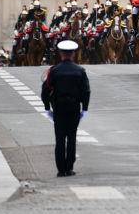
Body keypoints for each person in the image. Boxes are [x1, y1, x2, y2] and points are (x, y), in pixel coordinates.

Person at [41, 39, 91, 177]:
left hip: (59, 107)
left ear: (61, 54)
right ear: (73, 54)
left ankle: (60, 169)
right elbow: (86, 91)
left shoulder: (54, 71)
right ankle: (69, 168)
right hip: (74, 107)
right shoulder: (80, 71)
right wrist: (84, 108)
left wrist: (47, 108)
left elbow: (45, 90)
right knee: (72, 137)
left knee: (60, 138)